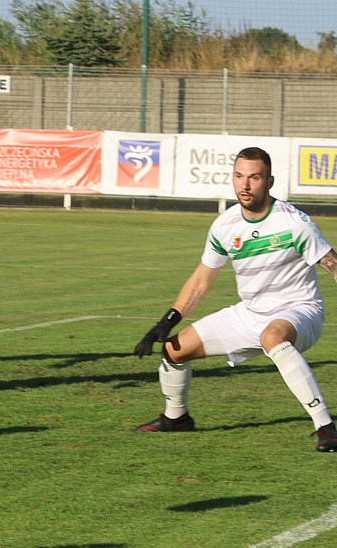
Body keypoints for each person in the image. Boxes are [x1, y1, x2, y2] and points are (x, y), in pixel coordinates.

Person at [134, 146, 337, 452]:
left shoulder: (295, 222)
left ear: (269, 182)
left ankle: (325, 426)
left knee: (272, 336)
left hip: (300, 311)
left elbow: (331, 263)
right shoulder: (224, 226)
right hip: (249, 314)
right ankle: (177, 417)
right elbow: (202, 279)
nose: (245, 185)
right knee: (174, 350)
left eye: (254, 177)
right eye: (239, 176)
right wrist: (167, 321)